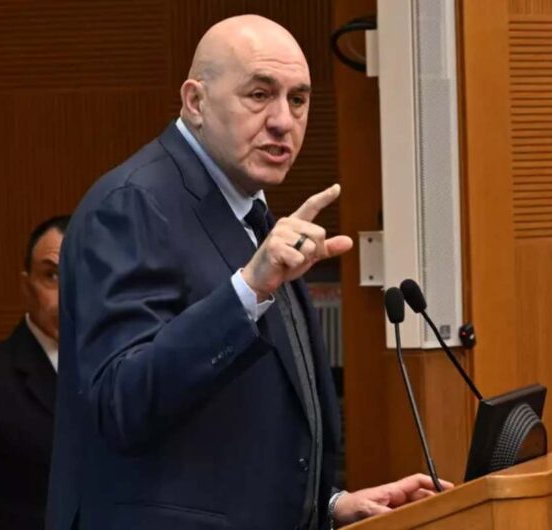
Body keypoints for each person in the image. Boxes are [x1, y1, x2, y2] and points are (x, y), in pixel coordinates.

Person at [46, 15, 450, 530]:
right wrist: (247, 289)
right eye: (259, 95)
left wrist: (327, 505)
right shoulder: (133, 205)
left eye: (298, 99)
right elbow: (120, 403)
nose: (283, 120)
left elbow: (234, 436)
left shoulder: (249, 212)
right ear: (195, 102)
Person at [0, 215, 69, 530]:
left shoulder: (124, 370)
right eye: (52, 275)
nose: (68, 294)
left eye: (83, 274)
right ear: (26, 285)